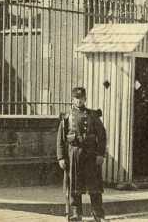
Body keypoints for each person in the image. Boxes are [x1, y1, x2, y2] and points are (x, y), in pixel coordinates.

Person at [56, 86, 107, 222]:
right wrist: (61, 157)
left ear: (85, 98)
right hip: (74, 154)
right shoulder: (67, 116)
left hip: (91, 153)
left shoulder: (93, 115)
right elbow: (60, 139)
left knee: (94, 186)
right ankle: (76, 213)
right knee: (74, 185)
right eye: (76, 98)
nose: (79, 100)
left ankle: (98, 214)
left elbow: (102, 135)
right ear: (72, 99)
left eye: (81, 98)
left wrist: (101, 154)